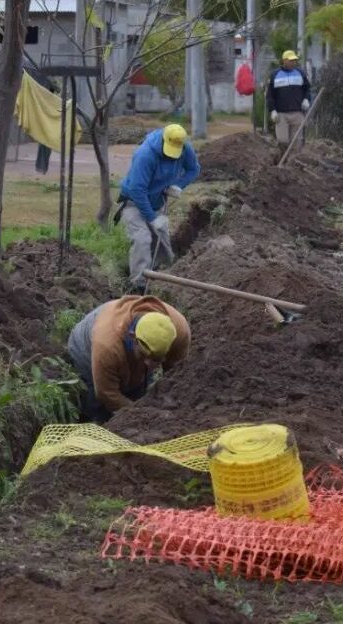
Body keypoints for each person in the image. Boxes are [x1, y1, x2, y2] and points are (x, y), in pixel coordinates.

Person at [66, 295, 191, 422]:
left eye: (156, 360)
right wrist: (140, 415)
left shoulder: (179, 332)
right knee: (98, 407)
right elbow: (106, 393)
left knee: (138, 391)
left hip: (118, 336)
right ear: (133, 337)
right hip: (86, 346)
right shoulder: (107, 346)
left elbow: (175, 374)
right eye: (144, 356)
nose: (148, 364)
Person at [118, 124, 200, 292]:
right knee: (143, 239)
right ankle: (138, 286)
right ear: (164, 140)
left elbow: (194, 169)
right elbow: (136, 189)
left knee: (162, 244)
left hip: (157, 202)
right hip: (134, 203)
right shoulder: (145, 155)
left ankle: (162, 279)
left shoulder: (184, 147)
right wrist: (152, 218)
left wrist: (178, 185)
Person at [267, 50, 311, 148]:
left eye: (294, 60)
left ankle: (293, 161)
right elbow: (270, 95)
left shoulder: (301, 73)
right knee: (282, 141)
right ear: (284, 61)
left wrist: (306, 99)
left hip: (297, 113)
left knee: (296, 142)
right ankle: (281, 160)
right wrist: (272, 110)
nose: (293, 62)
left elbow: (307, 89)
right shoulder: (275, 75)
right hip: (281, 114)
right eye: (291, 60)